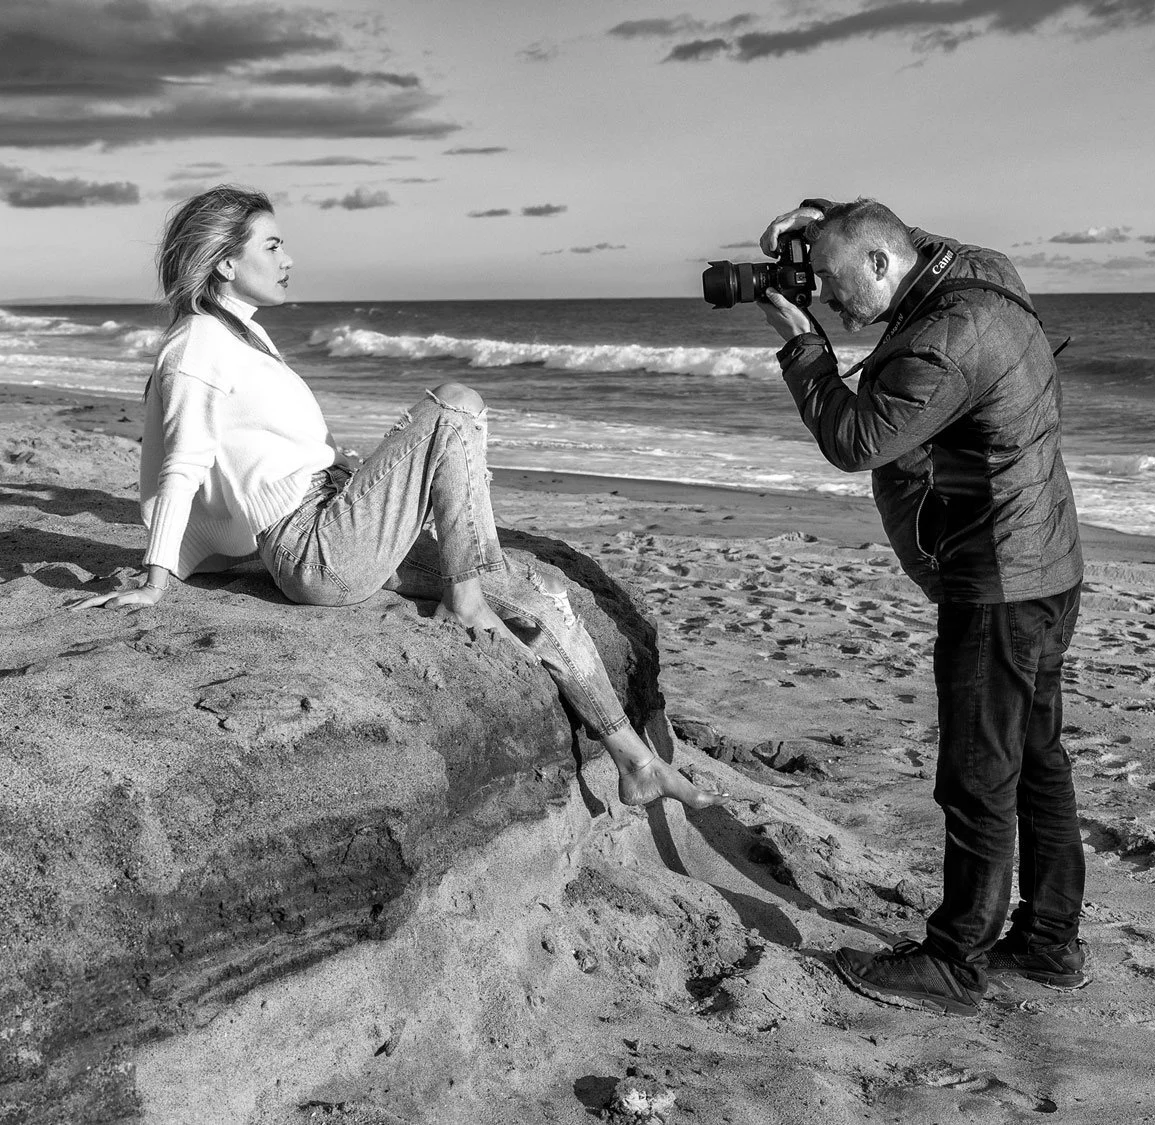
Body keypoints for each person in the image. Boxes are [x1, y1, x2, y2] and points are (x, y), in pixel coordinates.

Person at [75, 185, 723, 811]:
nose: (289, 259)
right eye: (272, 245)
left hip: (330, 521)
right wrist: (157, 578)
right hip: (315, 545)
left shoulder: (242, 336)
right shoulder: (197, 347)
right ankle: (467, 595)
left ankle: (636, 761)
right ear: (224, 261)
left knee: (536, 596)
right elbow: (183, 464)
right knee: (455, 405)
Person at [755, 197, 1086, 1015]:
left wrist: (803, 345)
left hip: (999, 581)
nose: (828, 297)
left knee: (977, 775)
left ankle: (955, 962)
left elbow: (856, 439)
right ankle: (1049, 939)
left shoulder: (946, 338)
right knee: (1037, 758)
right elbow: (905, 235)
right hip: (1048, 563)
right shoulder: (978, 271)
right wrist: (826, 212)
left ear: (878, 264)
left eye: (832, 281)